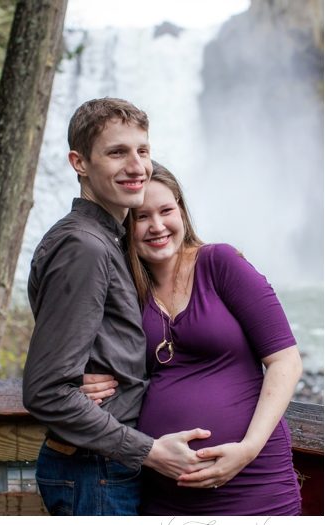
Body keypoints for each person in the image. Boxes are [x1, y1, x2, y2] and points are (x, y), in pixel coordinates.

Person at [22, 98, 213, 516]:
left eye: (142, 151)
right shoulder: (84, 247)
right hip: (96, 470)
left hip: (104, 467)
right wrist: (150, 452)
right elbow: (45, 391)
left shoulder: (107, 240)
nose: (137, 166)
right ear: (80, 163)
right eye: (117, 152)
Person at [84, 161, 303, 515]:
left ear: (181, 212)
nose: (157, 226)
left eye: (166, 210)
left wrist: (246, 449)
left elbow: (285, 361)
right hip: (164, 494)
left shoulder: (221, 263)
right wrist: (86, 383)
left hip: (254, 482)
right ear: (126, 226)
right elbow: (99, 363)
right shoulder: (124, 292)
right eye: (141, 217)